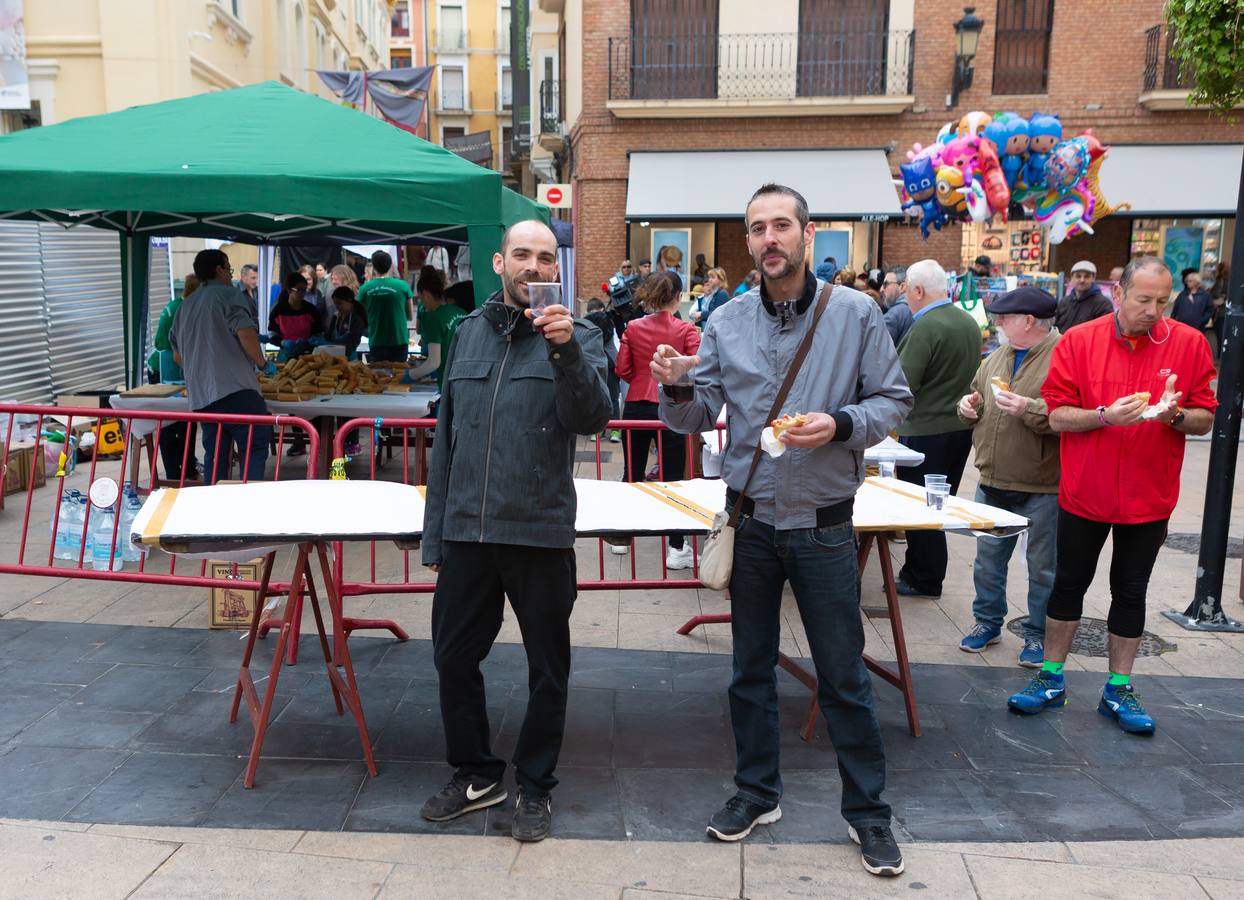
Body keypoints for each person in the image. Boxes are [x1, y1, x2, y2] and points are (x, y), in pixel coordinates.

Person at [654, 183, 911, 877]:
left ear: (807, 234)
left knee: (843, 677)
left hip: (826, 527)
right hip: (753, 522)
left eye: (781, 226)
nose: (771, 238)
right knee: (748, 671)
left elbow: (894, 400)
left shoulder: (856, 313)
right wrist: (677, 383)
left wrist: (844, 425)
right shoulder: (726, 320)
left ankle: (868, 814)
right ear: (749, 243)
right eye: (758, 229)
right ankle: (756, 792)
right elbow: (695, 412)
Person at [420, 219, 611, 843]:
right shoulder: (467, 334)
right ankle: (477, 772)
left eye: (546, 257)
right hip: (469, 534)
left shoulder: (579, 333)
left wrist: (564, 351)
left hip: (538, 531)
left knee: (546, 669)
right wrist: (435, 536)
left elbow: (592, 418)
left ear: (557, 268)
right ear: (500, 262)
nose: (534, 266)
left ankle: (535, 785)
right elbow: (446, 441)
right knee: (452, 656)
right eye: (523, 255)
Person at [1007, 257, 1216, 734]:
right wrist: (1103, 416)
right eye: (1143, 300)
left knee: (1131, 590)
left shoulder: (1187, 343)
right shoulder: (1080, 340)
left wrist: (1174, 416)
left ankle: (1118, 687)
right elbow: (1057, 416)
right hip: (1085, 492)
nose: (1153, 311)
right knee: (1068, 585)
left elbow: (1205, 415)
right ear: (1118, 294)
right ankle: (1051, 678)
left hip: (1148, 496)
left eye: (1162, 301)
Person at [955, 287, 1061, 667]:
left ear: (1029, 321)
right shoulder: (998, 356)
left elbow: (1068, 414)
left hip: (1043, 483)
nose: (997, 322)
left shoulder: (1063, 356)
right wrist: (967, 407)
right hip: (993, 477)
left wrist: (1028, 408)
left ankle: (1037, 635)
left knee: (1043, 567)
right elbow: (974, 396)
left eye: (1004, 316)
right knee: (987, 560)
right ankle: (987, 622)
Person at [893, 259, 982, 599]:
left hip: (925, 430)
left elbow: (903, 383)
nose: (907, 300)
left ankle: (923, 576)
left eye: (907, 292)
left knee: (921, 508)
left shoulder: (926, 326)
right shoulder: (967, 322)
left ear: (918, 290)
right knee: (939, 505)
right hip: (959, 428)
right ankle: (925, 572)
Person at [615, 272, 701, 569]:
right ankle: (676, 548)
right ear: (679, 296)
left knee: (633, 472)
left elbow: (622, 369)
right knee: (673, 479)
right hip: (671, 408)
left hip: (636, 405)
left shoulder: (633, 328)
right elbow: (695, 372)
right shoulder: (687, 330)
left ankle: (622, 538)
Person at [170, 249, 275, 484]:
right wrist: (263, 363)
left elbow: (177, 355)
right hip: (236, 390)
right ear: (219, 269)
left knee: (215, 456)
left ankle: (213, 510)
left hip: (203, 396)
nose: (230, 274)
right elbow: (246, 333)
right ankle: (248, 508)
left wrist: (201, 368)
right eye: (228, 268)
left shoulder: (185, 306)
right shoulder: (229, 295)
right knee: (253, 450)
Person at [147, 274, 201, 483]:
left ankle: (186, 470)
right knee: (171, 426)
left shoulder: (181, 306)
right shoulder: (183, 310)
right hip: (167, 370)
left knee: (187, 422)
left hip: (179, 370)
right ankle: (174, 475)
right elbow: (173, 347)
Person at [406, 266, 467, 390]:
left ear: (426, 294)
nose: (421, 302)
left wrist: (409, 376)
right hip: (465, 375)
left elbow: (434, 362)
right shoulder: (460, 311)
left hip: (447, 381)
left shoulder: (433, 318)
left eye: (420, 298)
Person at [357, 250, 413, 363]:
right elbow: (410, 316)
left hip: (376, 340)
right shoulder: (403, 286)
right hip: (399, 339)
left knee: (378, 377)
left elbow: (362, 315)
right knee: (399, 376)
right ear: (390, 265)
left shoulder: (365, 289)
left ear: (373, 266)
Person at [584, 297, 621, 436]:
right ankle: (599, 429)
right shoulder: (588, 323)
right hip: (597, 362)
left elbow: (605, 335)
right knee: (598, 397)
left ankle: (615, 430)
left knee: (611, 397)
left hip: (608, 363)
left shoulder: (607, 320)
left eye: (596, 312)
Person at [269, 271, 324, 361]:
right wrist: (282, 342)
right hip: (285, 355)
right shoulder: (278, 311)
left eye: (304, 290)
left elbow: (318, 333)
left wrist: (310, 341)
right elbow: (272, 334)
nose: (302, 293)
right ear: (289, 290)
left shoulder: (311, 310)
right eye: (299, 290)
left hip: (308, 356)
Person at [1055, 260, 1113, 333]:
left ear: (1093, 278)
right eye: (1078, 276)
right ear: (1072, 278)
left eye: (1086, 276)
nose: (1082, 280)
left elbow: (1104, 332)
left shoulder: (1103, 304)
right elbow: (1057, 327)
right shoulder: (1064, 302)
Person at [325, 286, 367, 360]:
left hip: (352, 358)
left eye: (339, 304)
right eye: (335, 304)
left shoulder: (357, 319)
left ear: (349, 301)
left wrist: (336, 346)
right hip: (334, 358)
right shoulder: (335, 317)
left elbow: (355, 342)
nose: (337, 307)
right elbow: (329, 337)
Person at [1171, 268, 1215, 338]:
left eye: (1190, 281)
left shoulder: (1205, 295)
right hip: (1182, 328)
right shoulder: (1182, 295)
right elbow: (1175, 310)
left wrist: (1202, 321)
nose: (1188, 282)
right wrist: (1173, 323)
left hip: (1198, 328)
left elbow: (1210, 310)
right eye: (1187, 281)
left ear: (1197, 282)